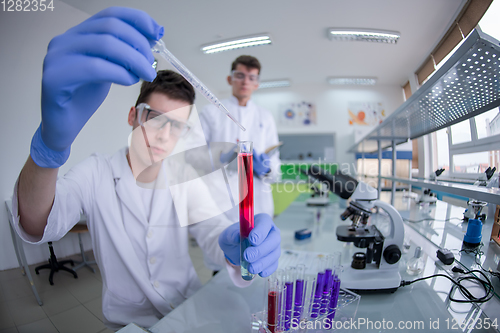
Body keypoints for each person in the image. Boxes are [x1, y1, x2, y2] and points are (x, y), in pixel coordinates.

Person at [11, 7, 280, 330]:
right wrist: (48, 149)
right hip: (128, 325)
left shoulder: (183, 175)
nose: (164, 135)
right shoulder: (96, 172)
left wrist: (234, 242)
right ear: (133, 116)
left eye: (177, 126)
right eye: (154, 117)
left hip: (190, 311)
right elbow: (38, 225)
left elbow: (211, 232)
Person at [200, 55, 281, 221]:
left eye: (252, 78)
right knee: (220, 243)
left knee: (258, 243)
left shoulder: (265, 116)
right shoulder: (211, 112)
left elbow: (276, 168)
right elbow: (195, 158)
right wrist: (217, 160)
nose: (245, 82)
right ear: (230, 79)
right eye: (240, 76)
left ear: (257, 84)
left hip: (259, 204)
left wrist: (266, 169)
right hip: (221, 204)